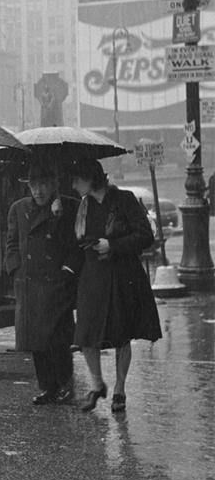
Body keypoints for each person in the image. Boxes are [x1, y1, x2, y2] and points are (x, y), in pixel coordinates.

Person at [68, 158, 162, 414]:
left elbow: (145, 235)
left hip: (123, 276)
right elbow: (76, 241)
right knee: (86, 335)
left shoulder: (124, 199)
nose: (74, 184)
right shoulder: (83, 206)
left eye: (77, 179)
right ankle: (98, 385)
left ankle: (119, 390)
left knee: (122, 334)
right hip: (93, 277)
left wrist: (113, 245)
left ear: (90, 178)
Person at [4, 162, 82, 405]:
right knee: (35, 341)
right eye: (33, 186)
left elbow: (76, 245)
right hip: (28, 283)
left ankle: (65, 386)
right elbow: (12, 242)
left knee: (57, 339)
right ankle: (48, 387)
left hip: (55, 283)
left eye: (43, 185)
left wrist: (67, 271)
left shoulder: (68, 207)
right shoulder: (19, 208)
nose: (37, 191)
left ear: (52, 185)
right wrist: (15, 268)